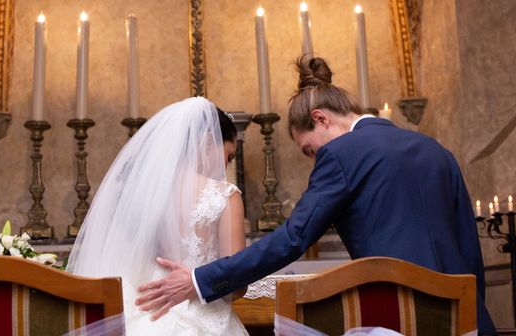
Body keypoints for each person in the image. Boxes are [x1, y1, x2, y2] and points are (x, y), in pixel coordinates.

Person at [136, 57, 497, 336]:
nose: (314, 159)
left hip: (398, 316)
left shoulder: (341, 153)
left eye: (309, 150)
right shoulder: (437, 150)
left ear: (321, 119)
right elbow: (469, 247)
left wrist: (200, 279)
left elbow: (293, 239)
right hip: (464, 318)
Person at [67, 97, 249, 335]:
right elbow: (235, 285)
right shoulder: (225, 196)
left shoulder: (141, 196)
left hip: (143, 314)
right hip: (203, 320)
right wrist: (199, 283)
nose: (226, 166)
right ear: (207, 142)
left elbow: (118, 262)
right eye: (229, 155)